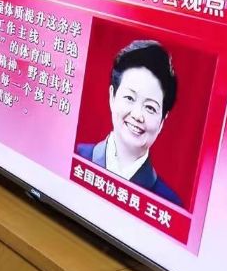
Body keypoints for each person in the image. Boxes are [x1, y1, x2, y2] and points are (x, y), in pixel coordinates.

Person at [76, 40, 182, 207]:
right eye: (130, 98)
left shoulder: (169, 203)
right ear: (112, 97)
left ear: (162, 120)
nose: (137, 115)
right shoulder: (75, 155)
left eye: (150, 107)